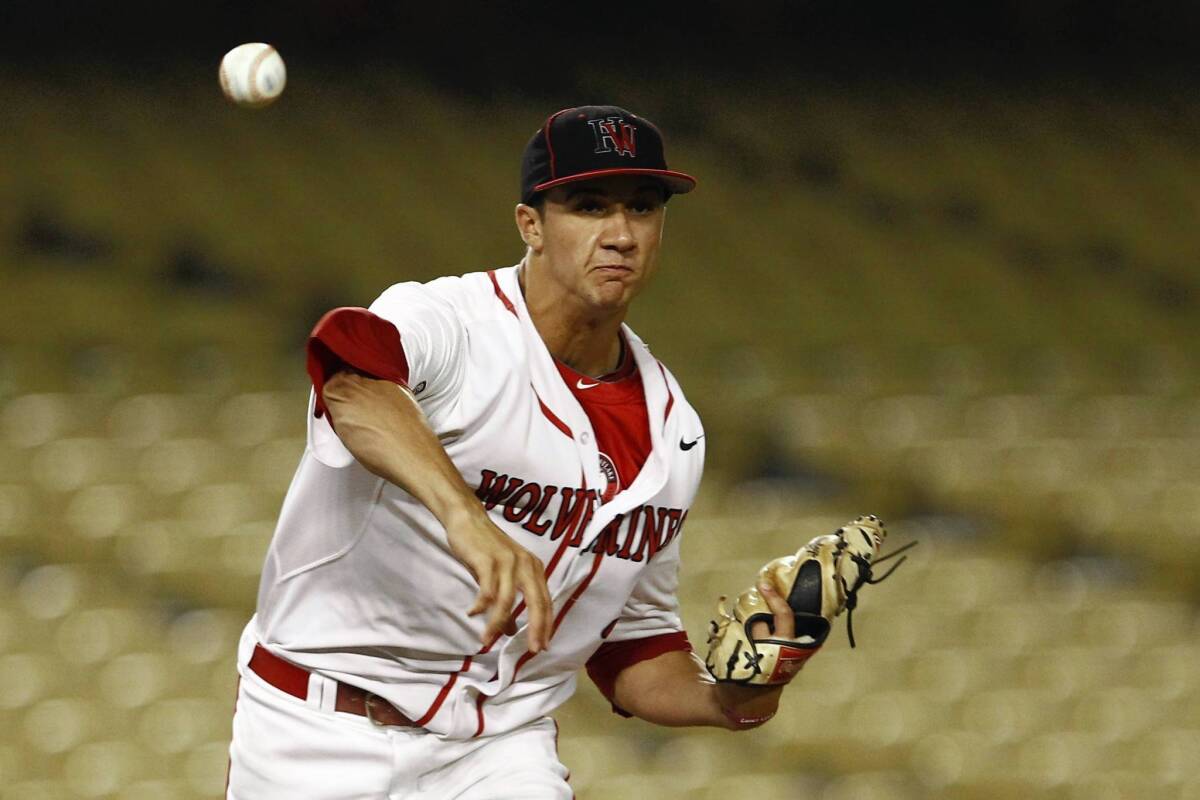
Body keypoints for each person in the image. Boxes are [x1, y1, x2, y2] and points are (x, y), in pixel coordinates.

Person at [226, 105, 801, 799]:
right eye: (589, 206)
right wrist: (466, 518)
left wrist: (737, 696)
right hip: (318, 730)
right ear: (531, 224)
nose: (620, 233)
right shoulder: (453, 324)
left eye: (643, 208)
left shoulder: (675, 431)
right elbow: (351, 376)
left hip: (498, 751)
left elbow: (632, 648)